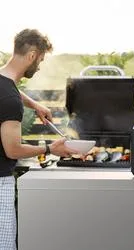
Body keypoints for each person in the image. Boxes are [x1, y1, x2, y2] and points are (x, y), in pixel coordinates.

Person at [0, 29, 77, 250]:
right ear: (32, 55)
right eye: (41, 60)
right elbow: (12, 151)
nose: (40, 66)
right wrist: (50, 148)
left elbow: (8, 89)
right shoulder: (9, 100)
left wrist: (34, 104)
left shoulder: (5, 85)